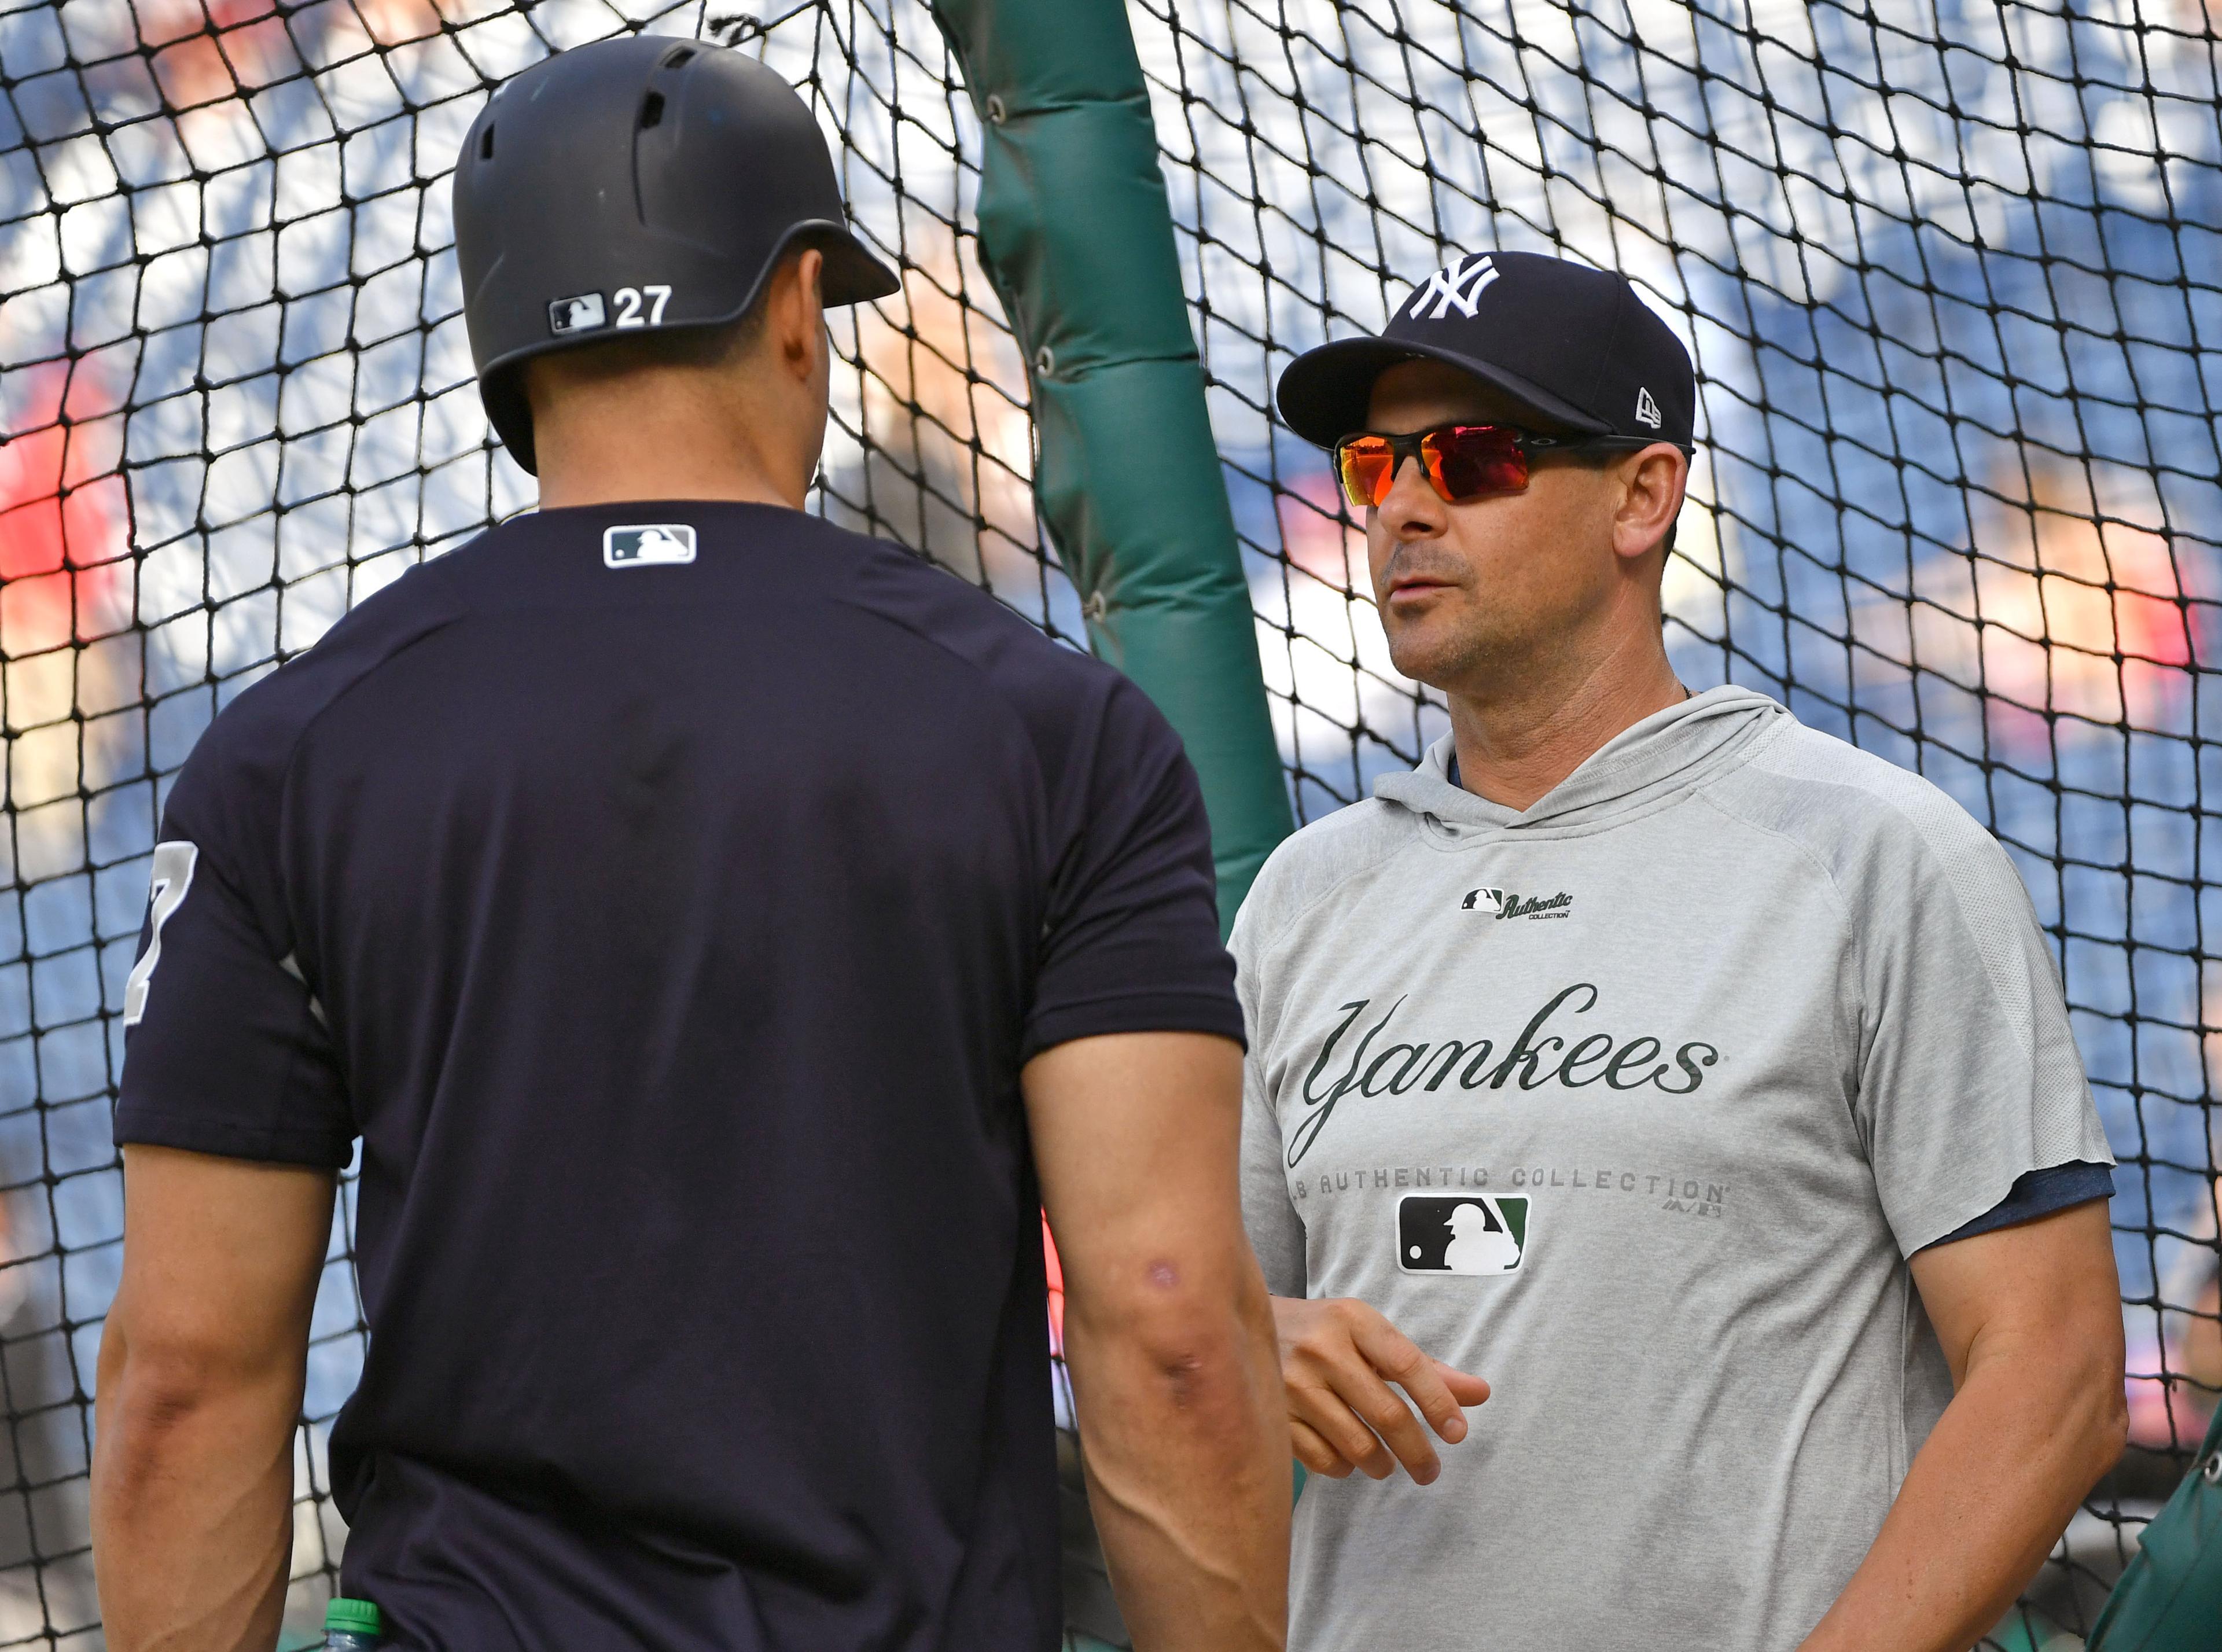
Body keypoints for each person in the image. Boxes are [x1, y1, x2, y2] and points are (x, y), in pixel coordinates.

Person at [89, 37, 1289, 1652]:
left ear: (501, 340)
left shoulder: (292, 749)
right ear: (798, 308)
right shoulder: (1050, 730)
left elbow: (181, 1379)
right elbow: (1168, 1332)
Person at [1237, 248, 2128, 1651]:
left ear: (1643, 498)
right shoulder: (1303, 900)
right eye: (1373, 464)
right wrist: (1244, 1344)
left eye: (1469, 459)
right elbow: (1191, 1329)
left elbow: (2059, 1373)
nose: (1403, 505)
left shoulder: (1875, 854)